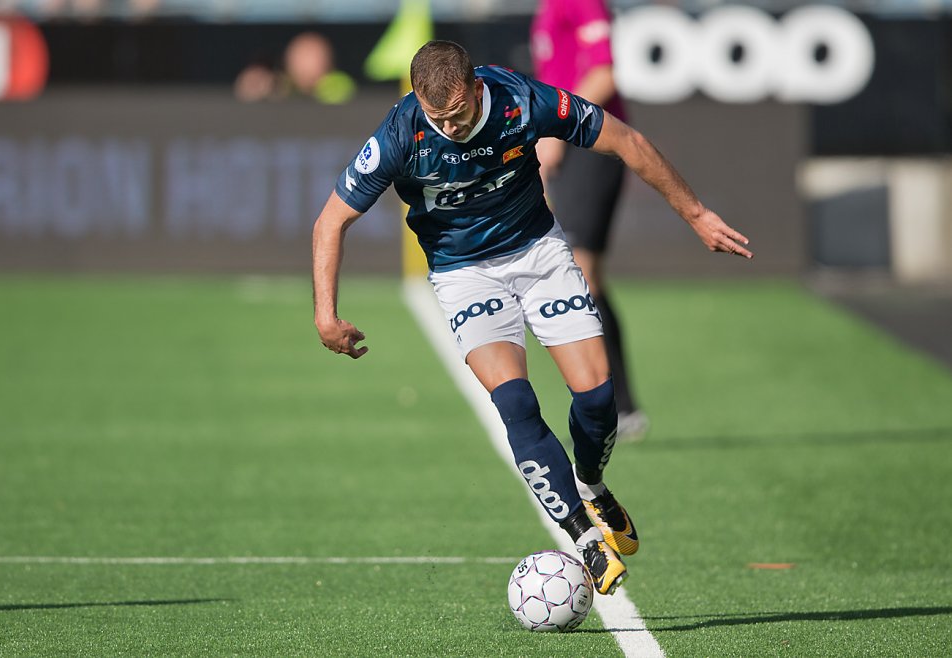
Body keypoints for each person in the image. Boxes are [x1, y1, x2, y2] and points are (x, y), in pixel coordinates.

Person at [311, 40, 751, 595]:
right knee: (515, 400)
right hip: (462, 271)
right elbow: (331, 222)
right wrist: (326, 316)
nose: (447, 126)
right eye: (435, 116)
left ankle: (590, 485)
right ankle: (585, 541)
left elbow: (628, 141)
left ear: (476, 89)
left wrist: (696, 214)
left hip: (538, 254)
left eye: (457, 114)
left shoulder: (522, 99)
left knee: (596, 398)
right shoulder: (400, 135)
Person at [532, 0, 648, 441]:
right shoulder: (547, 7)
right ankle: (611, 402)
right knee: (575, 272)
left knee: (583, 270)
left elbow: (603, 74)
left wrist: (559, 129)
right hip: (563, 140)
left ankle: (619, 405)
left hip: (589, 141)